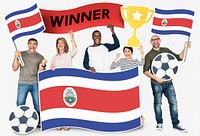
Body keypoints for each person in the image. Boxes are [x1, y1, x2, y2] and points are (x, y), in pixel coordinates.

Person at [143, 35, 191, 132]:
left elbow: (179, 58)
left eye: (157, 39)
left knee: (173, 103)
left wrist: (185, 47)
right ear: (150, 42)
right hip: (156, 83)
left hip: (169, 83)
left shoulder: (166, 50)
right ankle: (159, 123)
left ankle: (176, 124)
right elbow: (145, 71)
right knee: (158, 104)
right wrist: (156, 78)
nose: (155, 41)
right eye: (153, 40)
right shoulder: (149, 55)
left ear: (160, 40)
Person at [12, 38, 47, 128]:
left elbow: (41, 71)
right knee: (20, 103)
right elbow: (14, 68)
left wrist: (43, 64)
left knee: (38, 105)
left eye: (34, 44)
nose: (32, 46)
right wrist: (15, 56)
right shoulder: (21, 54)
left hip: (35, 83)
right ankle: (18, 123)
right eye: (30, 44)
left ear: (37, 45)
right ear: (28, 44)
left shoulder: (40, 57)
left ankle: (39, 122)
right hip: (23, 83)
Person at [50, 30, 77, 130]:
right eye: (59, 43)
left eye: (62, 43)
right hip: (57, 82)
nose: (60, 44)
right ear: (57, 45)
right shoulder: (54, 57)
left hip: (67, 81)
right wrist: (51, 68)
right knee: (58, 102)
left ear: (65, 45)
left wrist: (72, 38)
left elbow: (76, 49)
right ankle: (58, 122)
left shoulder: (69, 54)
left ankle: (66, 122)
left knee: (67, 101)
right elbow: (51, 68)